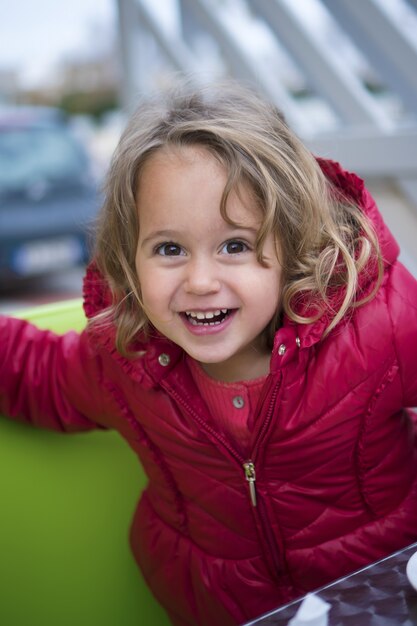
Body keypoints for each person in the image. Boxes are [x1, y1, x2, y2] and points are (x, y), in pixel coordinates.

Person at [1, 79, 417, 626]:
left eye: (235, 246)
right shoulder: (124, 359)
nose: (200, 280)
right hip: (220, 610)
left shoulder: (377, 324)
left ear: (292, 243)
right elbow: (39, 376)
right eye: (169, 249)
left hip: (377, 596)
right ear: (130, 260)